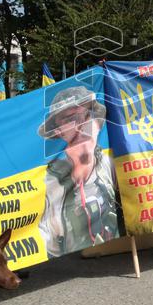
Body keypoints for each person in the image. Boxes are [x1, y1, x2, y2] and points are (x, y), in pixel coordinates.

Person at [37, 86, 118, 258]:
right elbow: (43, 243)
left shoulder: (110, 165)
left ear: (97, 123)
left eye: (88, 115)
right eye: (70, 119)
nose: (82, 124)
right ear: (58, 131)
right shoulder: (48, 183)